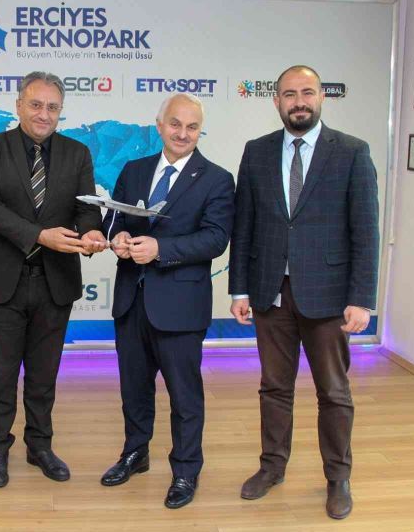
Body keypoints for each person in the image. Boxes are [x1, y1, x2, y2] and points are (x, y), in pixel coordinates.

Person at [228, 65, 379, 519]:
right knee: (274, 388)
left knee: (333, 392)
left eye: (307, 93)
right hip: (269, 292)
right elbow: (244, 226)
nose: (299, 102)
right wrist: (239, 289)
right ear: (276, 100)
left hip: (329, 297)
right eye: (290, 94)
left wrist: (362, 298)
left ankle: (338, 477)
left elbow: (365, 232)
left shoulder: (351, 152)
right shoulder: (256, 152)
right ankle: (272, 467)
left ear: (321, 97)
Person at [0, 71, 106, 488]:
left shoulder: (77, 153)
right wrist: (39, 235)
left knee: (44, 374)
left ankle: (39, 446)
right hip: (2, 279)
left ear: (60, 111)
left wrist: (92, 232)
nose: (43, 114)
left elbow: (86, 208)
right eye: (35, 105)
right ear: (18, 106)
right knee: (1, 374)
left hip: (55, 280)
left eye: (52, 107)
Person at [99, 94, 235, 509]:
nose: (182, 133)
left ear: (200, 131)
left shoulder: (217, 179)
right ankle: (135, 453)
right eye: (175, 124)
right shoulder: (134, 170)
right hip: (131, 300)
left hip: (180, 306)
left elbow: (215, 238)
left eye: (192, 127)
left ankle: (186, 470)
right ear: (159, 125)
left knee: (184, 396)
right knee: (133, 389)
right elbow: (113, 219)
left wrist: (160, 249)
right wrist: (118, 237)